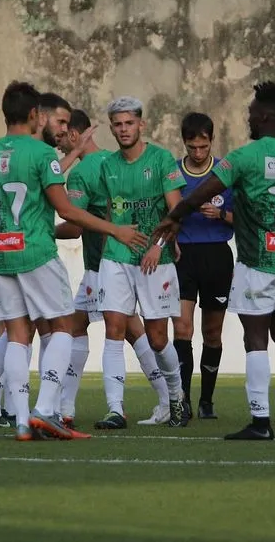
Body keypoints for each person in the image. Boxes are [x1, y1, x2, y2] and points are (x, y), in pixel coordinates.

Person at [0, 81, 147, 441]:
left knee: (17, 335)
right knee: (62, 327)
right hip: (37, 252)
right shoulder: (42, 156)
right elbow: (66, 208)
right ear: (34, 115)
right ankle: (45, 410)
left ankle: (24, 421)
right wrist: (114, 229)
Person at [153, 82, 275, 440]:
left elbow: (206, 189)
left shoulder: (245, 157)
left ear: (263, 116)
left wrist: (176, 215)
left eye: (250, 112)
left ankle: (260, 420)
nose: (247, 116)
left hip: (257, 259)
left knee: (256, 338)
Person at [54, 109, 173, 427]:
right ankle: (168, 399)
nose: (59, 143)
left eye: (64, 136)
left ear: (76, 136)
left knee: (75, 326)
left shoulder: (81, 174)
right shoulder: (112, 161)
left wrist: (44, 230)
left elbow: (75, 224)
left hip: (103, 265)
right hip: (126, 260)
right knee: (133, 331)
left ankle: (67, 408)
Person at [94, 96, 189, 429]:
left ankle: (176, 398)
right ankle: (115, 409)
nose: (123, 129)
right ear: (112, 128)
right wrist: (108, 245)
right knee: (114, 330)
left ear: (141, 125)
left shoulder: (162, 160)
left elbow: (177, 213)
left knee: (158, 338)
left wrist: (160, 245)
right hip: (116, 258)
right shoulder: (107, 166)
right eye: (117, 124)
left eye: (129, 123)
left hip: (154, 260)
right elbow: (110, 212)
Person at [171, 112, 234, 421]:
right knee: (182, 327)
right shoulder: (173, 174)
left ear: (212, 141)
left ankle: (206, 401)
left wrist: (221, 215)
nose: (198, 153)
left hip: (217, 256)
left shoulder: (226, 173)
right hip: (183, 257)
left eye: (203, 146)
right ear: (184, 143)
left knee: (212, 332)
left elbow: (247, 218)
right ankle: (181, 400)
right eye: (192, 147)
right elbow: (165, 214)